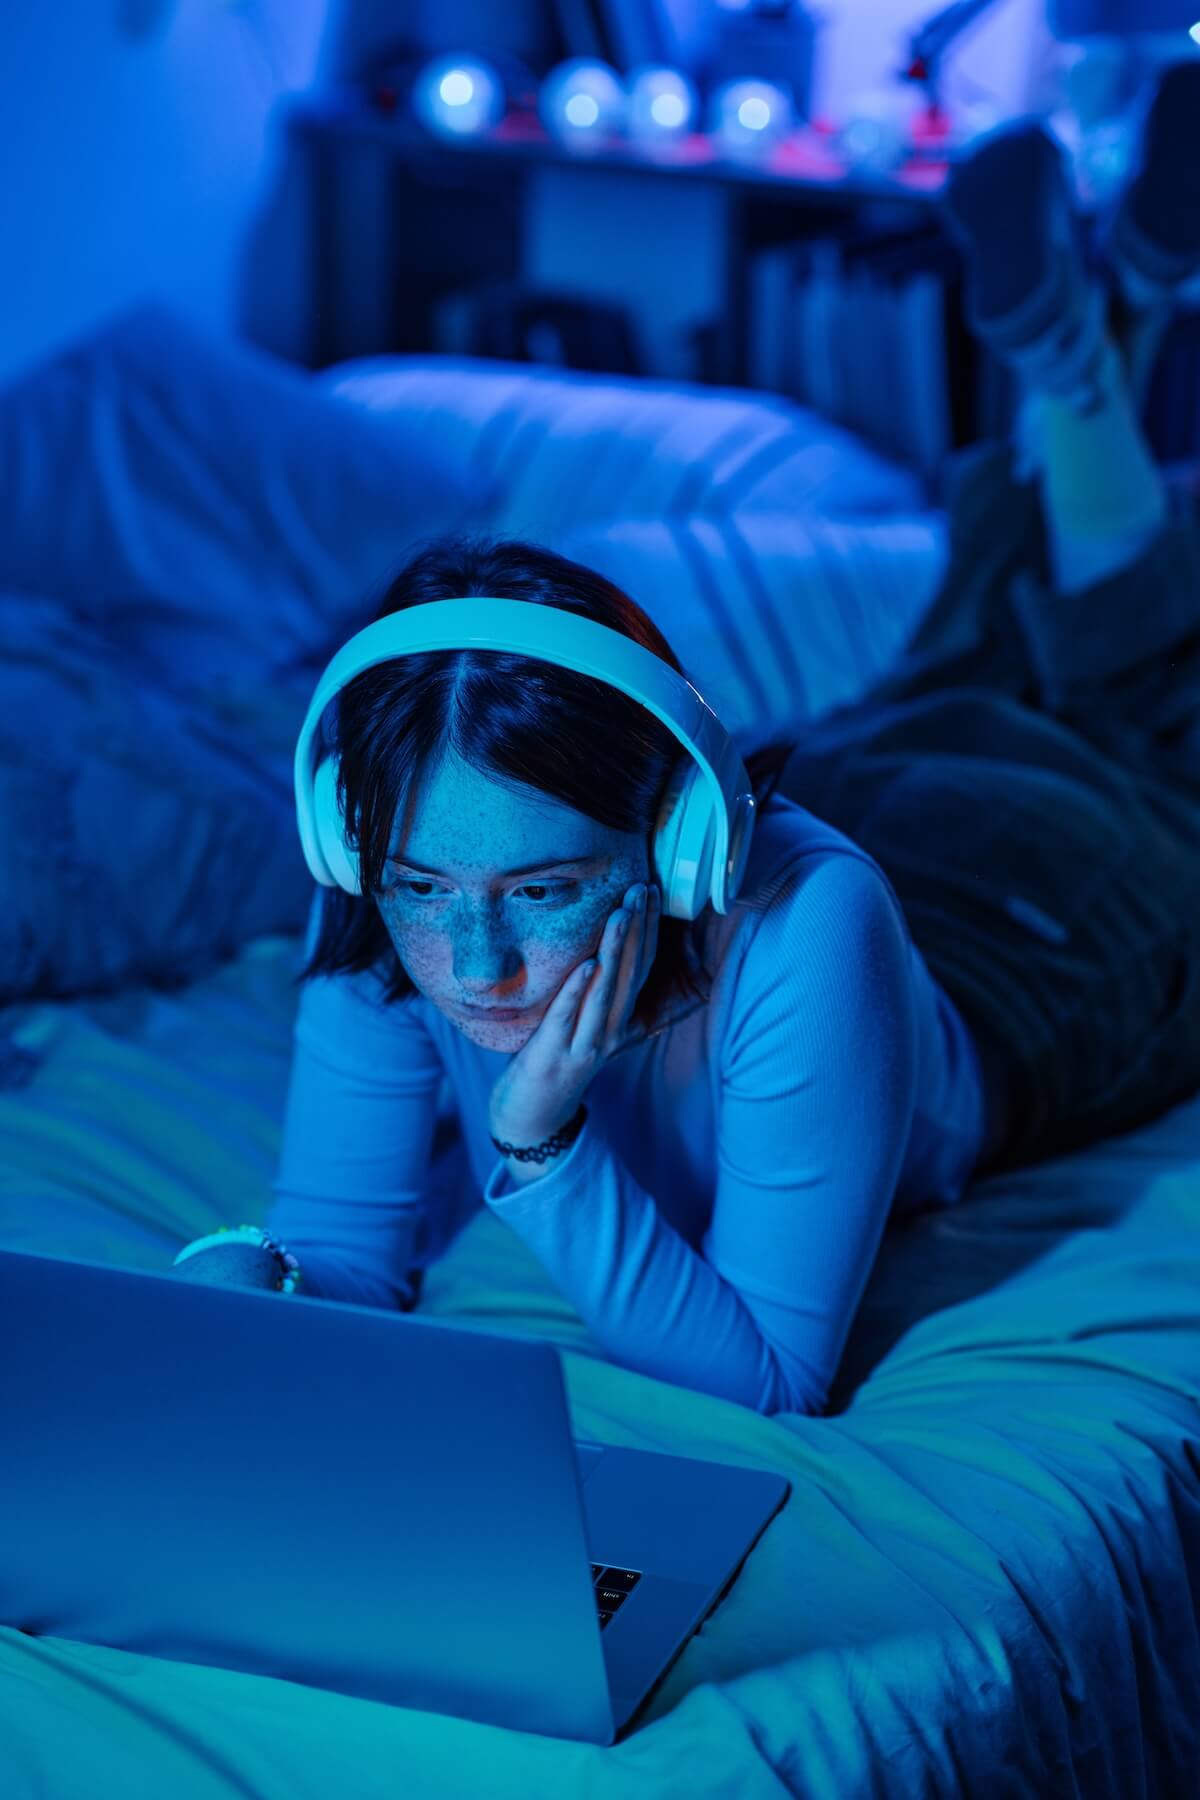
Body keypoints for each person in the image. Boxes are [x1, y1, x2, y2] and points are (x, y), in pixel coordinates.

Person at [183, 61, 1200, 1420]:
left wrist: (541, 1150)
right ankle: (1100, 343)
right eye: (424, 888)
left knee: (1138, 717)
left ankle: (1094, 356)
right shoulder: (389, 877)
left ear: (677, 839)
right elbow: (344, 1259)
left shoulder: (806, 924)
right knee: (964, 647)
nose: (473, 965)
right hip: (867, 766)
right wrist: (243, 1285)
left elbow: (773, 1377)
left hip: (1026, 927)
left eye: (542, 889)